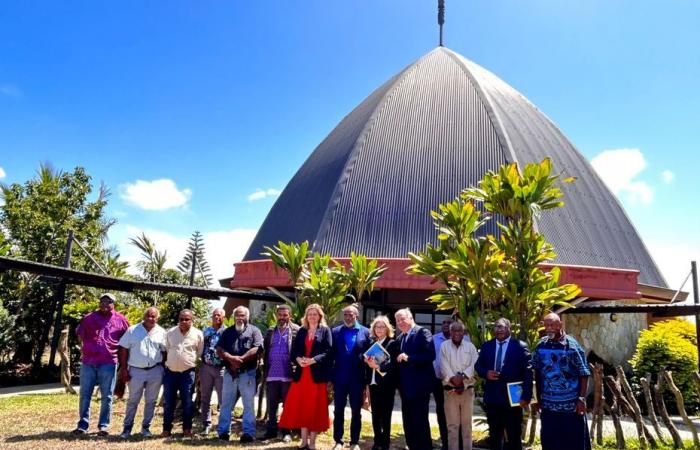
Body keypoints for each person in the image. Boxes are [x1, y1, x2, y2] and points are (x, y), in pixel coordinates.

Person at [72, 293, 130, 436]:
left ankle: (103, 426)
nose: (104, 304)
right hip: (88, 362)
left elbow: (127, 342)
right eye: (102, 301)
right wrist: (85, 348)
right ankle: (83, 425)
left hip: (109, 363)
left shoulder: (121, 320)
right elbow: (79, 333)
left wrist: (124, 365)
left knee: (107, 396)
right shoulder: (89, 318)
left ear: (114, 304)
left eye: (108, 301)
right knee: (85, 394)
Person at [532, 313, 591, 450]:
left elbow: (584, 373)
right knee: (550, 441)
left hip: (571, 407)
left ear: (560, 325)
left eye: (552, 325)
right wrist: (537, 399)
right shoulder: (541, 346)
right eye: (546, 325)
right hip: (548, 406)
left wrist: (581, 399)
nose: (548, 328)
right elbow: (536, 372)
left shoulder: (572, 346)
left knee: (572, 443)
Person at [279, 303, 333, 450]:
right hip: (302, 375)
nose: (312, 316)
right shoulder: (302, 331)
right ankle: (303, 442)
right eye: (310, 314)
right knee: (303, 407)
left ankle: (313, 443)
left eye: (315, 314)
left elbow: (329, 352)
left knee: (315, 408)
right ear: (306, 316)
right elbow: (294, 351)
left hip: (316, 375)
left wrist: (313, 360)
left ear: (320, 316)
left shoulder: (325, 330)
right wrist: (298, 360)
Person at [474, 318, 533, 450]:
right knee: (494, 436)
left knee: (513, 436)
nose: (498, 330)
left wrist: (526, 396)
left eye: (501, 327)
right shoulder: (487, 346)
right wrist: (486, 373)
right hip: (493, 398)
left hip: (513, 399)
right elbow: (478, 366)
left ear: (509, 328)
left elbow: (528, 373)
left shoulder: (519, 346)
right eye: (496, 327)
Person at [215, 305, 263, 443]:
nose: (240, 318)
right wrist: (231, 359)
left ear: (248, 317)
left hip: (247, 373)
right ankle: (223, 433)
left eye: (243, 315)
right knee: (226, 404)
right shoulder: (227, 332)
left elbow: (257, 348)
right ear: (234, 316)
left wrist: (240, 360)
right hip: (230, 373)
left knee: (248, 405)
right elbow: (219, 349)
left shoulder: (255, 331)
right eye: (237, 315)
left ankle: (248, 434)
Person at [117, 307, 166, 438]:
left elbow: (165, 351)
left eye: (154, 316)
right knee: (133, 400)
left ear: (158, 318)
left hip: (155, 370)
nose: (151, 318)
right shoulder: (132, 330)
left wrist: (163, 369)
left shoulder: (162, 332)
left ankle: (146, 428)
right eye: (148, 316)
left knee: (151, 401)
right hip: (136, 370)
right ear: (144, 316)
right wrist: (123, 369)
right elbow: (123, 349)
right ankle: (127, 429)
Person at [394, 308, 436, 450]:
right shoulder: (400, 338)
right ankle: (412, 446)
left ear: (411, 317)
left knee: (420, 421)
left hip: (419, 387)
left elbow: (430, 355)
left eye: (402, 319)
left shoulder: (422, 332)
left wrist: (409, 358)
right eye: (397, 320)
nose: (400, 322)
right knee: (408, 422)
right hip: (405, 389)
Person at [331, 305, 371, 450]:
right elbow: (331, 355)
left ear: (357, 316)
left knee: (356, 411)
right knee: (338, 410)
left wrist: (367, 382)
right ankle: (339, 441)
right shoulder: (335, 332)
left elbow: (371, 355)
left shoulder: (366, 333)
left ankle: (354, 442)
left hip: (357, 379)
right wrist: (331, 377)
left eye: (351, 315)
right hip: (339, 379)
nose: (348, 317)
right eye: (346, 315)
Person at [162, 309, 204, 438]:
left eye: (187, 319)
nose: (184, 321)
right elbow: (166, 350)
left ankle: (187, 429)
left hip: (187, 374)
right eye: (181, 319)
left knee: (187, 402)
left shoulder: (198, 334)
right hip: (170, 373)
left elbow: (199, 353)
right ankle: (166, 429)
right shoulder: (170, 332)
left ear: (192, 320)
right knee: (168, 402)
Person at [262, 304, 300, 443]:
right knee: (272, 405)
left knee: (287, 405)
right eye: (280, 315)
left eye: (285, 315)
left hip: (288, 374)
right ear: (276, 315)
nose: (282, 317)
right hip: (272, 373)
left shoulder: (296, 330)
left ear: (290, 316)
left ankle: (286, 432)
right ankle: (271, 431)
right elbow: (265, 349)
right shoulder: (271, 331)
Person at [440, 321, 478, 450]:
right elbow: (443, 365)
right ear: (450, 333)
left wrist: (462, 378)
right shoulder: (444, 346)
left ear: (463, 332)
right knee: (452, 426)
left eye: (459, 331)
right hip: (450, 391)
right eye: (454, 331)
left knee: (467, 425)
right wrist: (452, 379)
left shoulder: (470, 347)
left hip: (467, 390)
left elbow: (475, 365)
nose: (456, 333)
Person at [363, 315, 398, 450]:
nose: (379, 329)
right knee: (375, 415)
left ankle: (385, 444)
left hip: (386, 385)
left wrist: (377, 366)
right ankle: (377, 442)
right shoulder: (371, 343)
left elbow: (393, 365)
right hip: (373, 385)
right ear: (373, 328)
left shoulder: (392, 343)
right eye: (377, 326)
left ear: (387, 328)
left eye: (382, 326)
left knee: (385, 416)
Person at [199, 308, 227, 435]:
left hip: (221, 369)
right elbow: (200, 347)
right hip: (206, 368)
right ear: (212, 317)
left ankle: (222, 426)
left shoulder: (227, 332)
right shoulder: (206, 331)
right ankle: (206, 424)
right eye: (215, 315)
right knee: (205, 397)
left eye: (219, 315)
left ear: (224, 317)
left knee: (223, 399)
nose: (217, 317)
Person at [432, 318, 452, 450]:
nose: (445, 325)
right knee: (441, 411)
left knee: (454, 412)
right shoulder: (434, 339)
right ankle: (445, 442)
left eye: (449, 322)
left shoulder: (463, 338)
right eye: (443, 322)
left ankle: (456, 442)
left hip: (455, 382)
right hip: (437, 381)